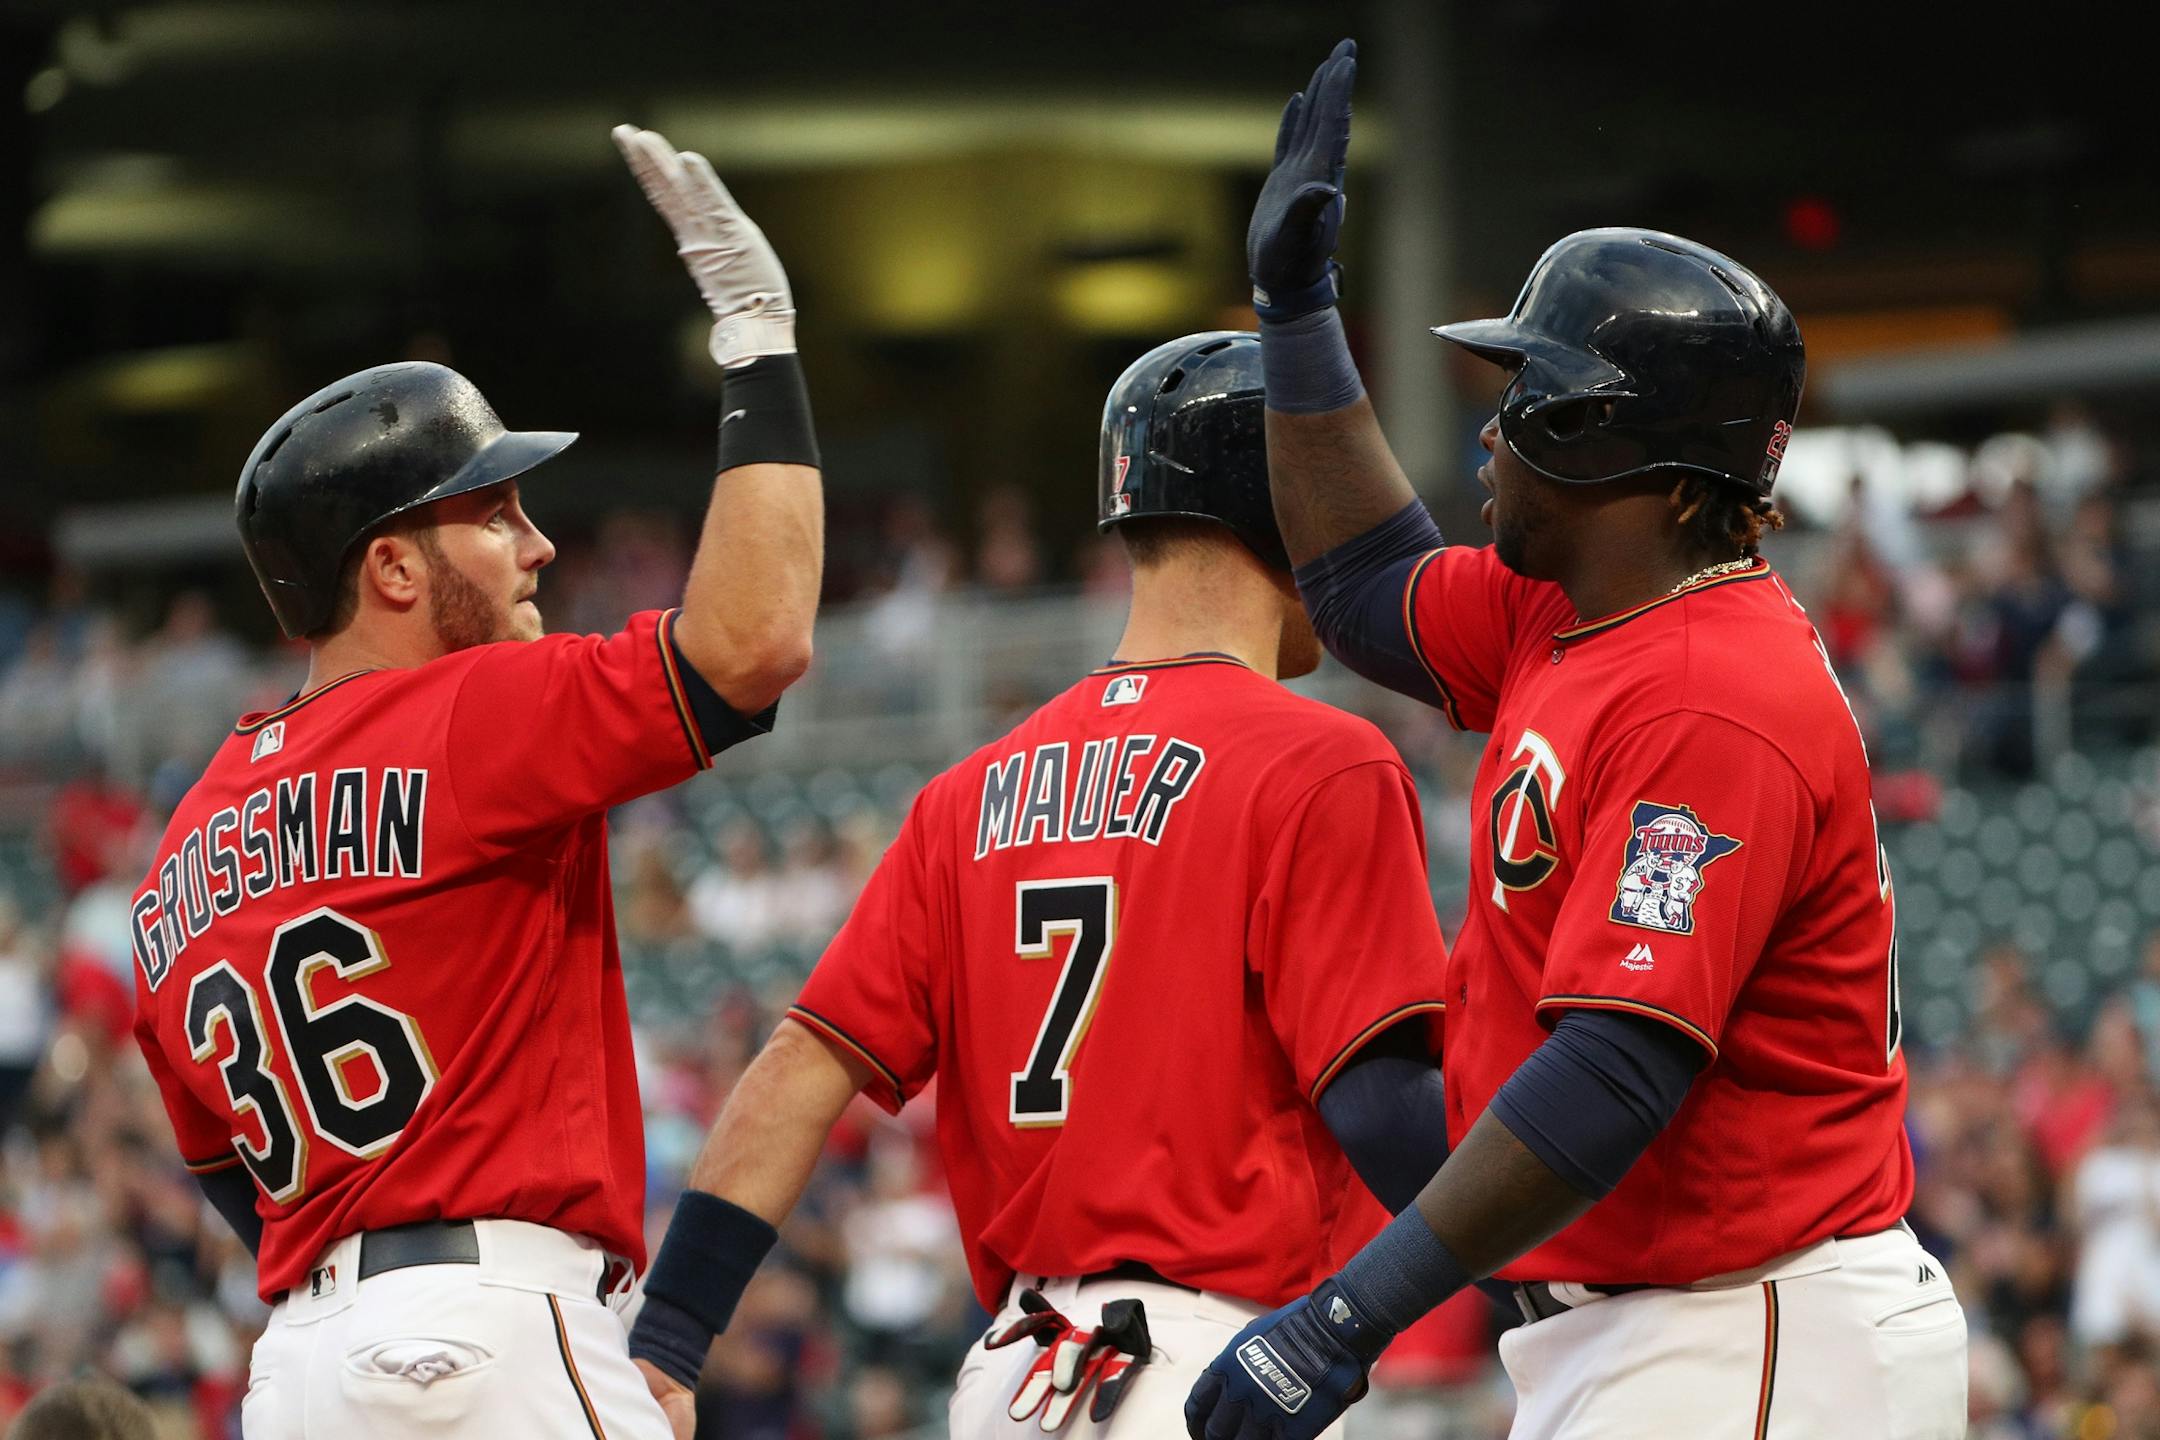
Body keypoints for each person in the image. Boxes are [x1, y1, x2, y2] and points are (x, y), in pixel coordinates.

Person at [1182, 39, 1969, 1440]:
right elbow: (1364, 590)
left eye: (1523, 398)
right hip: (1667, 1324)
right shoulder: (1578, 608)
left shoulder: (1717, 691)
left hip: (1756, 1321)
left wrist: (1346, 1317)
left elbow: (1618, 1072)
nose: (1487, 430)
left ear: (1611, 440)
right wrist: (1298, 315)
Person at [624, 331, 1453, 1439]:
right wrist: (1550, 1239)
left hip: (1013, 1381)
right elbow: (1385, 1110)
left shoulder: (966, 793)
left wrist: (673, 1340)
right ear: (1295, 510)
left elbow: (799, 1066)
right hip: (1223, 1368)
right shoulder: (1319, 760)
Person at [126, 124, 823, 1440]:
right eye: (493, 513)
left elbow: (229, 1176)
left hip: (300, 1368)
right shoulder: (468, 711)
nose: (538, 544)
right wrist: (758, 340)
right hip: (495, 1328)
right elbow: (756, 642)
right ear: (390, 569)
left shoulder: (182, 849)